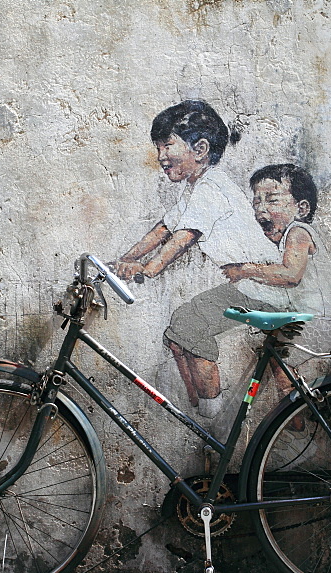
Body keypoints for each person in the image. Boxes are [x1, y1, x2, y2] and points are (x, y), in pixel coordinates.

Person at [113, 100, 279, 409]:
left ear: (200, 149)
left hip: (263, 283)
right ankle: (197, 411)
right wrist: (121, 260)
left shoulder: (212, 187)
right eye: (158, 148)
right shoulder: (196, 187)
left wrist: (147, 269)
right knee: (178, 331)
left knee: (189, 327)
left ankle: (211, 417)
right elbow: (163, 229)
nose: (161, 157)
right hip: (248, 284)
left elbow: (182, 238)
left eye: (167, 146)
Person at [222, 164, 331, 391]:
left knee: (280, 356)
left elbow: (290, 275)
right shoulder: (286, 238)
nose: (261, 209)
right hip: (318, 320)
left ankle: (295, 417)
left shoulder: (298, 232)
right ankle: (296, 415)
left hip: (330, 322)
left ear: (301, 208)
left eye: (272, 200)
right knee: (273, 353)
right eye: (257, 201)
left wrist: (245, 270)